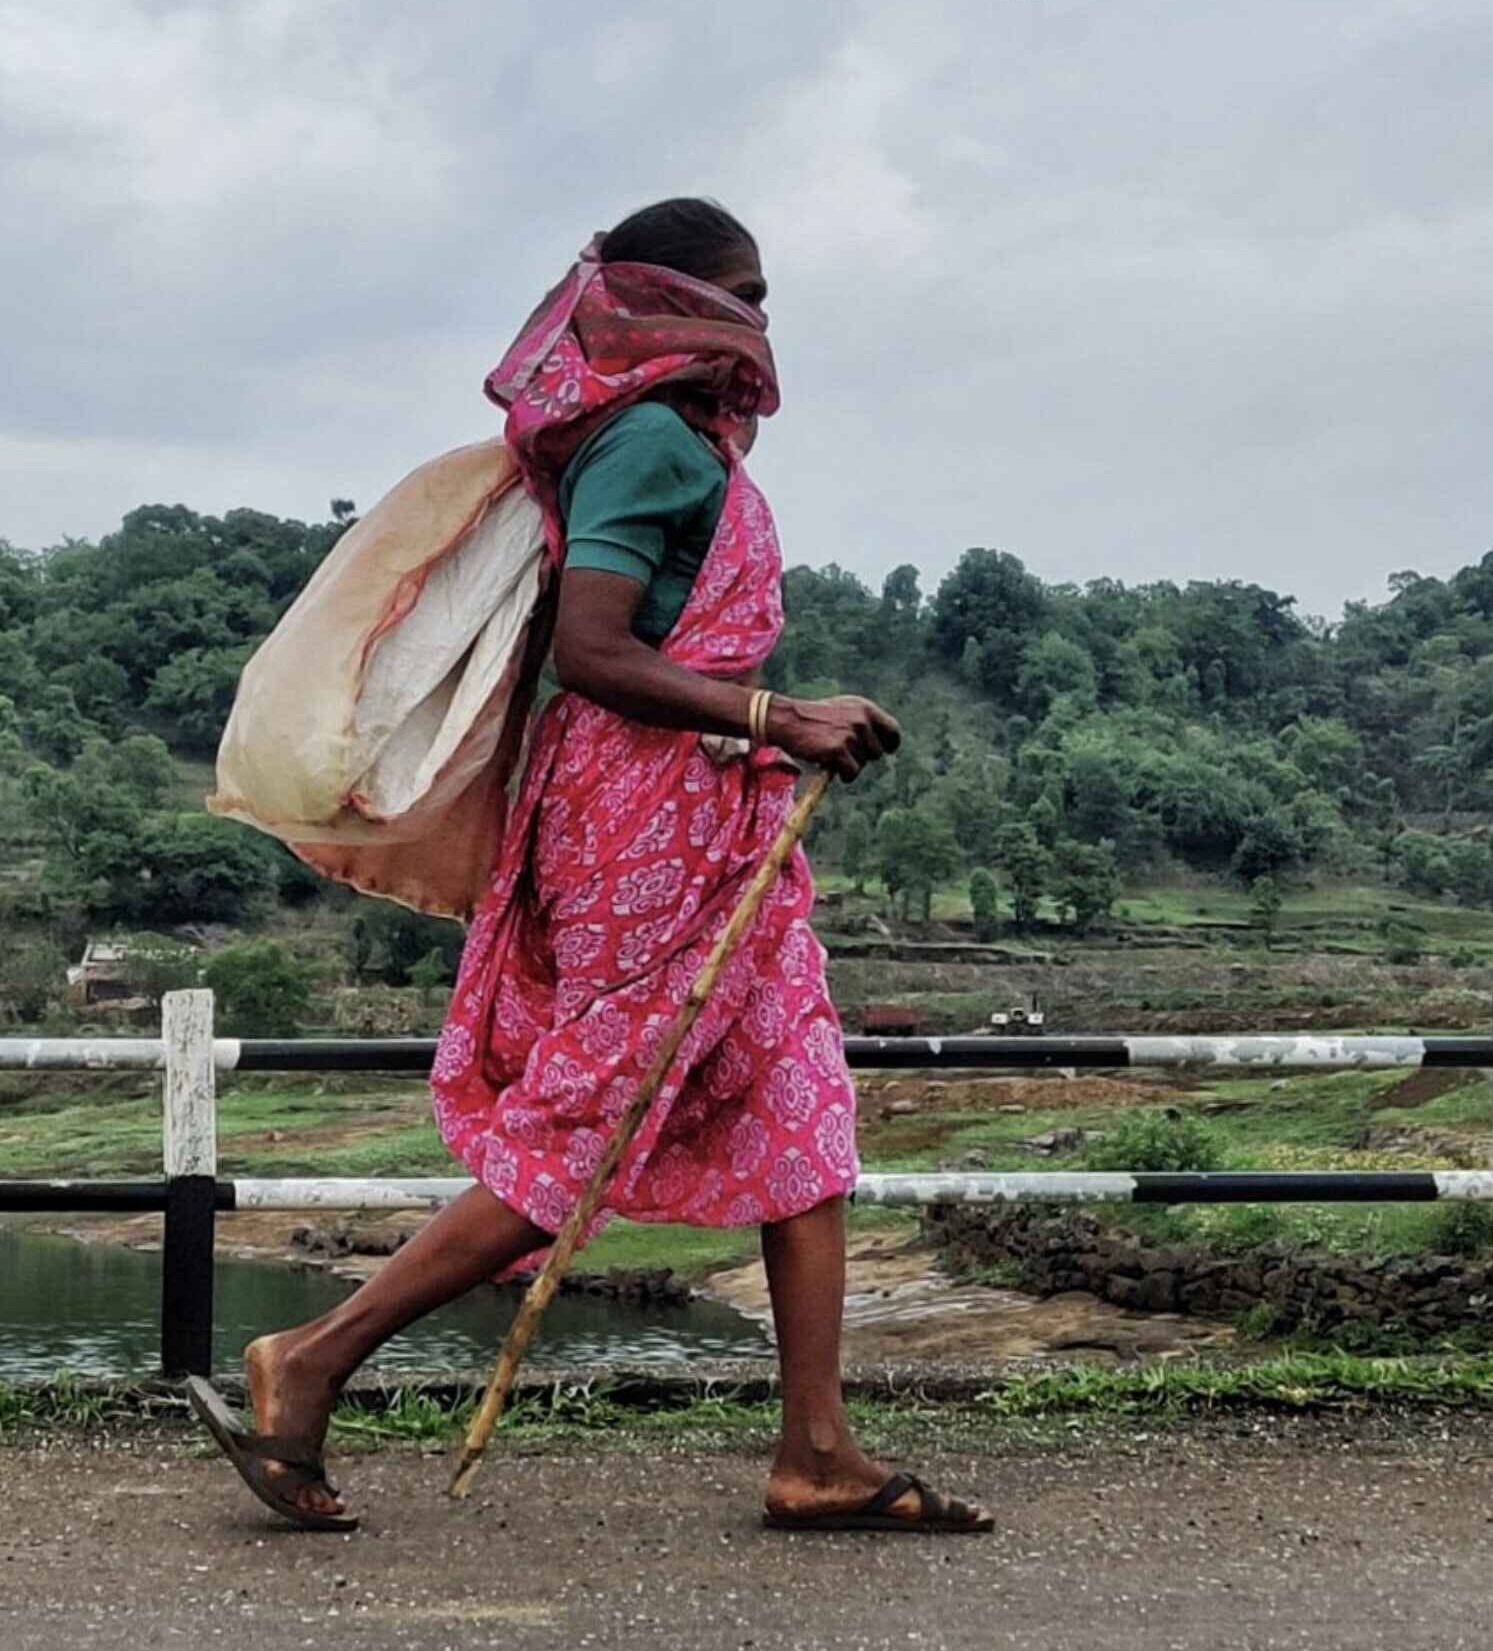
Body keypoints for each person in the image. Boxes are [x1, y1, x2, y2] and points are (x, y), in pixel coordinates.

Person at [190, 198, 992, 1537]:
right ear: (672, 302)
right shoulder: (647, 442)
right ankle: (312, 1357)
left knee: (802, 1110)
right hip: (640, 828)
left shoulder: (686, 443)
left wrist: (770, 728)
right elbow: (595, 651)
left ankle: (816, 1450)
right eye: (741, 294)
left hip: (719, 820)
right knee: (589, 1119)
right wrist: (780, 716)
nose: (758, 323)